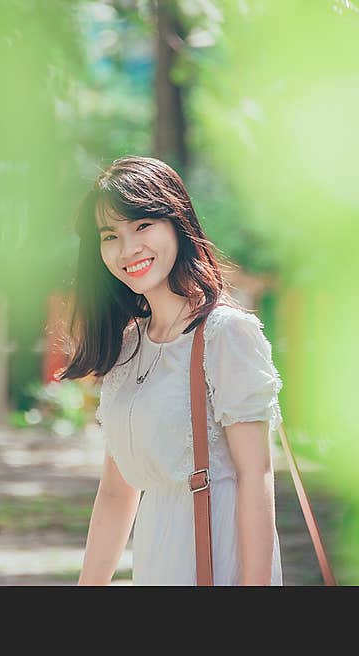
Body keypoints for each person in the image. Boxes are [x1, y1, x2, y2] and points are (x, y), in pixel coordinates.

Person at [58, 156, 283, 586]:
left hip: (219, 557)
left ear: (176, 222)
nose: (128, 249)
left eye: (142, 225)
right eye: (111, 235)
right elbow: (116, 492)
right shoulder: (128, 346)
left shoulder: (225, 334)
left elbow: (256, 475)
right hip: (157, 558)